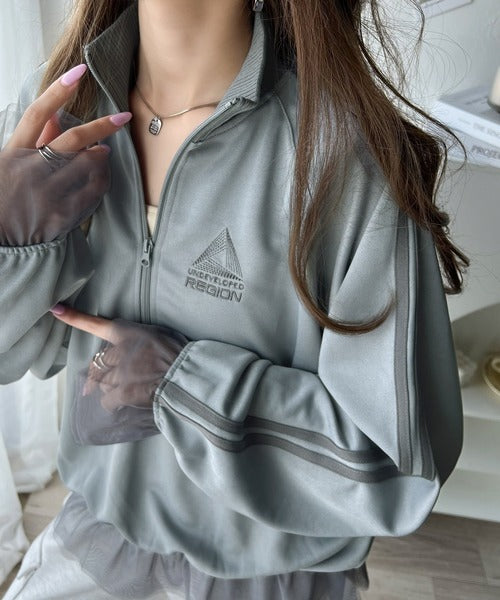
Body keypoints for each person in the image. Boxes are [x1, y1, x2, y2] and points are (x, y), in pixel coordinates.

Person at [0, 0, 468, 598]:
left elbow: (399, 471)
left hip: (267, 579)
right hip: (97, 542)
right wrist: (8, 241)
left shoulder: (345, 159)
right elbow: (19, 352)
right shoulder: (57, 113)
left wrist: (181, 386)